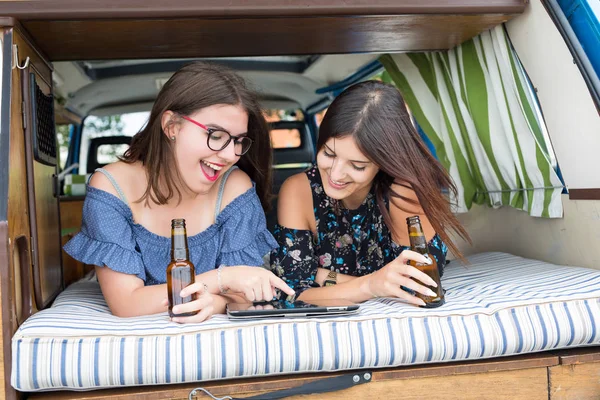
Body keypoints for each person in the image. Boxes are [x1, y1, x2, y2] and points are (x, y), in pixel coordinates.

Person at [65, 62, 294, 322]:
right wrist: (222, 279)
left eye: (238, 140)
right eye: (216, 135)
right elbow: (126, 303)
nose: (231, 154)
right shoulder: (111, 188)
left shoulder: (235, 188)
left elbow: (244, 292)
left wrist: (217, 302)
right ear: (172, 126)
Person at [270, 80, 470, 306]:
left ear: (383, 163)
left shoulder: (404, 192)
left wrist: (321, 275)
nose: (336, 174)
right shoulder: (298, 189)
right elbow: (289, 289)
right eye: (328, 153)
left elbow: (415, 286)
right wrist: (371, 284)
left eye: (357, 165)